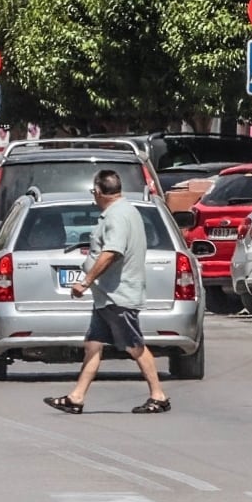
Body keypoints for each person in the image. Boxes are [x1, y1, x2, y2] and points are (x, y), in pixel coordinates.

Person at [45, 170, 170, 415]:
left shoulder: (117, 216)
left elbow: (112, 252)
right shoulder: (124, 211)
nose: (94, 196)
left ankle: (158, 395)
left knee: (134, 345)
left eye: (94, 192)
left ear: (99, 192)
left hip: (118, 295)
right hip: (107, 296)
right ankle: (76, 397)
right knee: (93, 345)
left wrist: (86, 281)